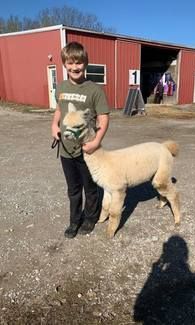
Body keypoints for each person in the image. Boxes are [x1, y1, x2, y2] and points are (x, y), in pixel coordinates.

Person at [51, 41, 110, 239]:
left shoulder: (94, 90)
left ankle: (90, 218)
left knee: (90, 187)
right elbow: (59, 109)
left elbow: (103, 117)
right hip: (66, 149)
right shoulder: (61, 87)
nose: (74, 67)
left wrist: (96, 141)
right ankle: (74, 220)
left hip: (88, 149)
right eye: (70, 63)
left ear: (85, 63)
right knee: (73, 189)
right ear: (64, 64)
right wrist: (54, 125)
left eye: (78, 63)